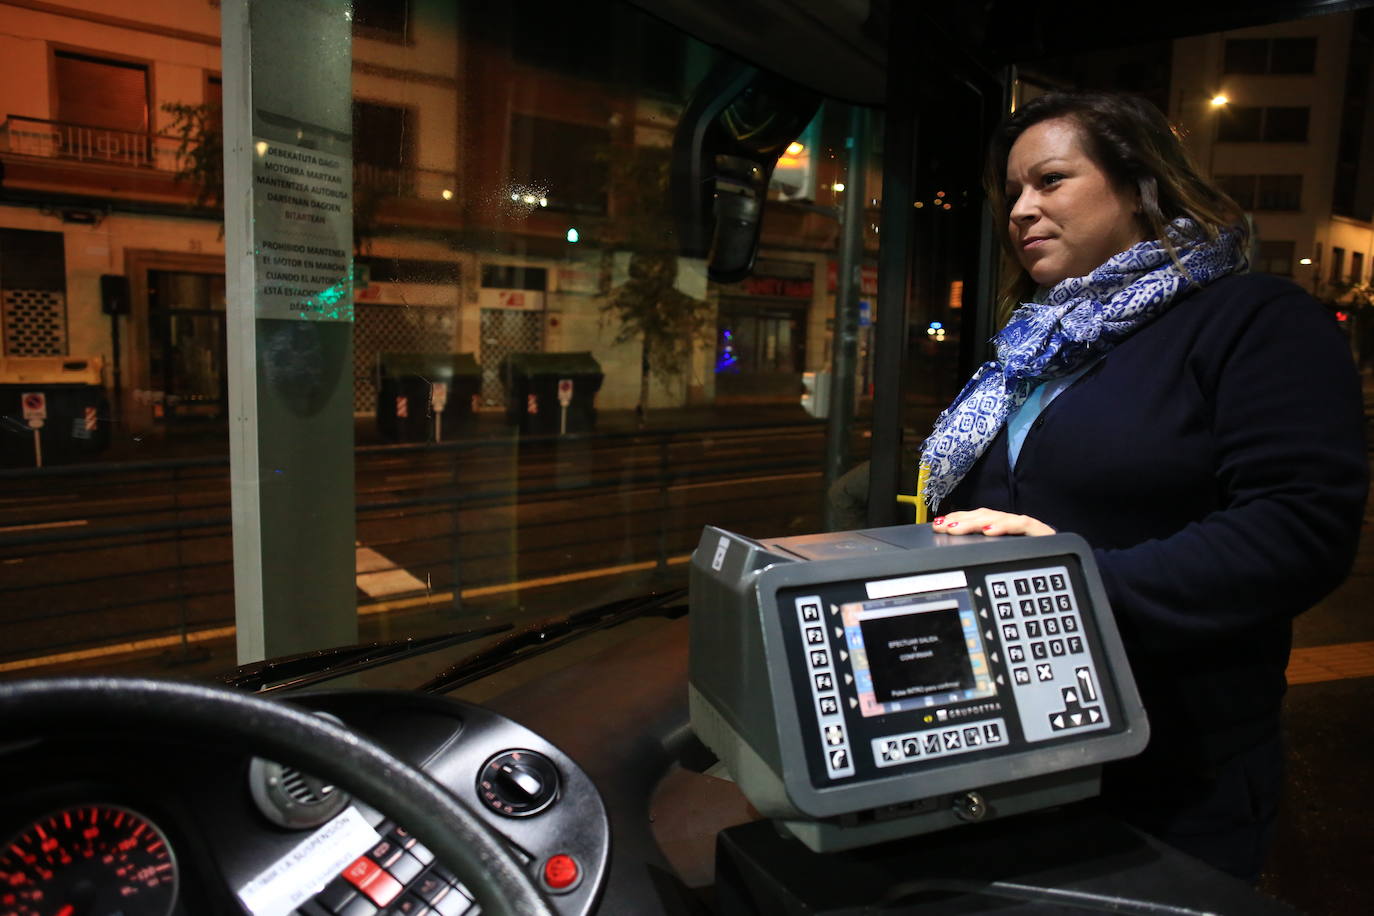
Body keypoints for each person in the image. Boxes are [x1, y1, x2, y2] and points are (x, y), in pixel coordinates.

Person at [919, 90, 1368, 882]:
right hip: (1008, 757)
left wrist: (1074, 582)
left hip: (1173, 770)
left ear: (1139, 185)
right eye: (1013, 192)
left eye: (1051, 180)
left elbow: (1297, 531)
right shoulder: (1031, 348)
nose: (1022, 210)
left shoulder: (1252, 320)